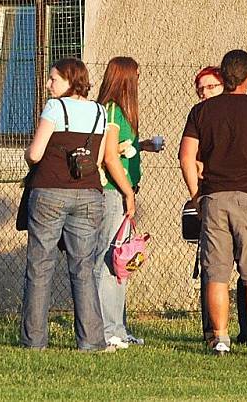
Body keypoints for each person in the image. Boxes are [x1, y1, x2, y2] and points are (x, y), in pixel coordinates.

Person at [179, 49, 247, 358]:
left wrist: (196, 195)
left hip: (214, 197)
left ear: (223, 76)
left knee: (216, 273)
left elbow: (186, 157)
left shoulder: (201, 112)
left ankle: (220, 339)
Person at [21, 58, 112, 352]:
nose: (48, 85)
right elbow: (97, 162)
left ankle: (34, 341)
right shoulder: (100, 112)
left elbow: (35, 154)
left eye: (53, 79)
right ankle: (91, 340)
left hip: (49, 192)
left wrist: (27, 153)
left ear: (71, 80)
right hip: (88, 194)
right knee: (84, 268)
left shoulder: (54, 108)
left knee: (40, 266)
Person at [93, 56, 160, 349]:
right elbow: (109, 157)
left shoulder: (121, 113)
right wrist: (128, 193)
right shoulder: (111, 110)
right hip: (111, 192)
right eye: (136, 76)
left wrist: (142, 145)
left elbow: (119, 149)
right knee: (108, 260)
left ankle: (119, 327)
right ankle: (106, 330)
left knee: (121, 261)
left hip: (121, 191)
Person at [192, 66, 247, 345]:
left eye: (211, 87)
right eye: (201, 89)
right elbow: (189, 157)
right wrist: (196, 194)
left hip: (243, 196)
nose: (205, 93)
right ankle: (213, 332)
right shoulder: (201, 116)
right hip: (212, 196)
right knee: (214, 268)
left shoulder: (240, 114)